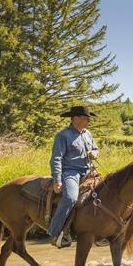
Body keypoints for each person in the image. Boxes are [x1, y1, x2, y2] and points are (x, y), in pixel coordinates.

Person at [49, 105, 100, 248]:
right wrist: (57, 180)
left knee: (107, 192)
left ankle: (101, 231)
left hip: (89, 170)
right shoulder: (63, 135)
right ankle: (55, 232)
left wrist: (95, 153)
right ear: (75, 118)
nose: (88, 122)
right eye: (86, 119)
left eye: (88, 119)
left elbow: (96, 149)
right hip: (70, 171)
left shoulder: (87, 133)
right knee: (71, 197)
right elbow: (56, 159)